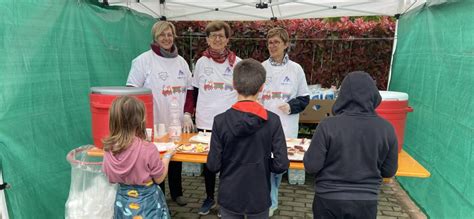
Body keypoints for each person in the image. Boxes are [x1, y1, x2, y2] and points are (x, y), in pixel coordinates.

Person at [303, 71, 399, 219]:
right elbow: (389, 171)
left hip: (328, 200)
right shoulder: (387, 128)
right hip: (365, 202)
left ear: (343, 96)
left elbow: (311, 166)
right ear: (373, 95)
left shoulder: (328, 125)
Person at [206, 59, 290, 219]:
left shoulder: (220, 121)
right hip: (259, 195)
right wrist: (263, 163)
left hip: (229, 194)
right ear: (262, 87)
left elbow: (213, 165)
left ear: (234, 84)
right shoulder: (272, 121)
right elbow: (281, 164)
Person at [126, 21, 193, 206]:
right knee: (155, 159)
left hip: (176, 121)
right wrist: (139, 120)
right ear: (155, 37)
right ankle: (159, 194)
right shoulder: (143, 60)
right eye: (162, 35)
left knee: (175, 157)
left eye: (169, 34)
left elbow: (189, 91)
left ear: (174, 36)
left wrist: (187, 113)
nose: (166, 38)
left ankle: (177, 192)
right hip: (152, 123)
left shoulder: (181, 62)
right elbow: (131, 90)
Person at [191, 21, 242, 215]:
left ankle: (225, 201)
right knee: (210, 164)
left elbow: (243, 93)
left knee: (229, 163)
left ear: (228, 39)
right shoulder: (201, 62)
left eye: (221, 35)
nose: (217, 39)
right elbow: (196, 91)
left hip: (230, 122)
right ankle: (209, 197)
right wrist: (194, 114)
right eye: (213, 36)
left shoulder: (237, 62)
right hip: (206, 121)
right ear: (207, 39)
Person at [260, 27, 310, 216]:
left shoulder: (296, 69)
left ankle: (273, 194)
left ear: (286, 45)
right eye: (270, 42)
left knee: (279, 167)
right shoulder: (262, 67)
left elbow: (305, 98)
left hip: (287, 127)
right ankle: (270, 201)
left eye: (276, 42)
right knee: (265, 164)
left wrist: (290, 106)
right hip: (264, 127)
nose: (272, 46)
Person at [102, 96, 176, 219]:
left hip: (123, 202)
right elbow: (159, 178)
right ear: (140, 119)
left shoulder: (108, 148)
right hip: (148, 204)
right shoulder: (148, 148)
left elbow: (109, 175)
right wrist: (167, 156)